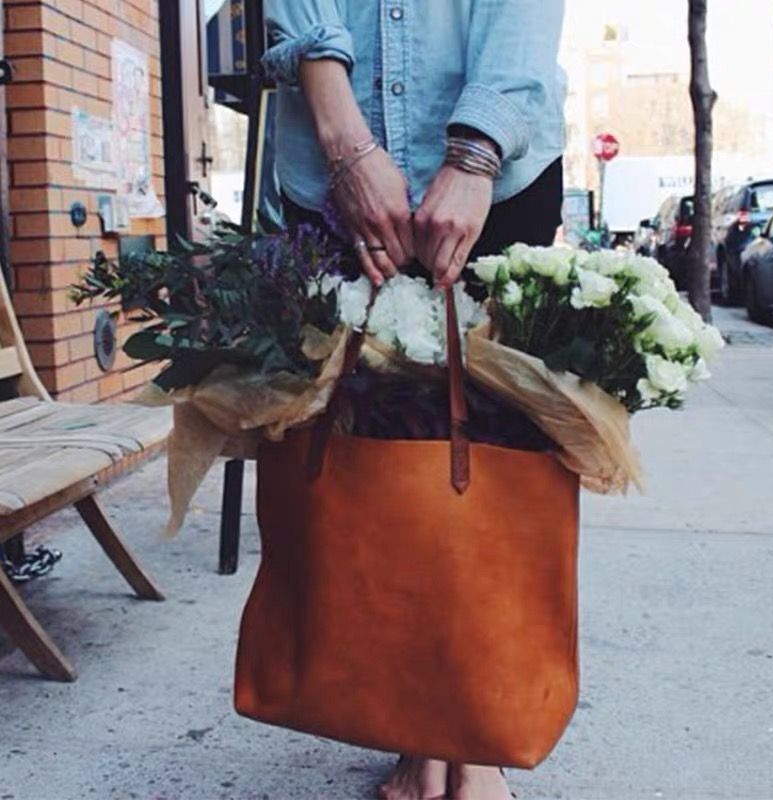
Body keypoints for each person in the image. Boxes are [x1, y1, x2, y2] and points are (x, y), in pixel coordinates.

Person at [263, 2, 567, 798]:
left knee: (498, 466)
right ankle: (412, 719)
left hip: (501, 171)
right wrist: (347, 150)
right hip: (328, 160)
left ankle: (475, 726)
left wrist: (473, 157)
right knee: (373, 461)